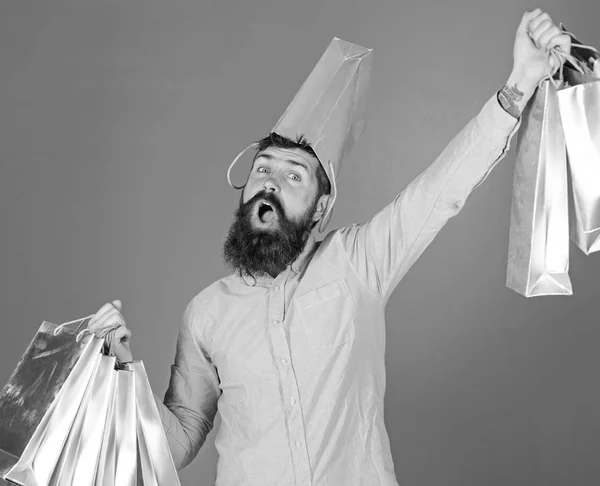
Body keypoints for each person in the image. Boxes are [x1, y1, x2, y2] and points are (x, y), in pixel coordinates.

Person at [89, 9, 571, 485]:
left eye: (293, 175)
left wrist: (519, 84)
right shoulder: (205, 314)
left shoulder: (360, 262)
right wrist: (119, 368)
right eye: (262, 168)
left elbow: (440, 190)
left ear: (320, 210)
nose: (270, 182)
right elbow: (175, 443)